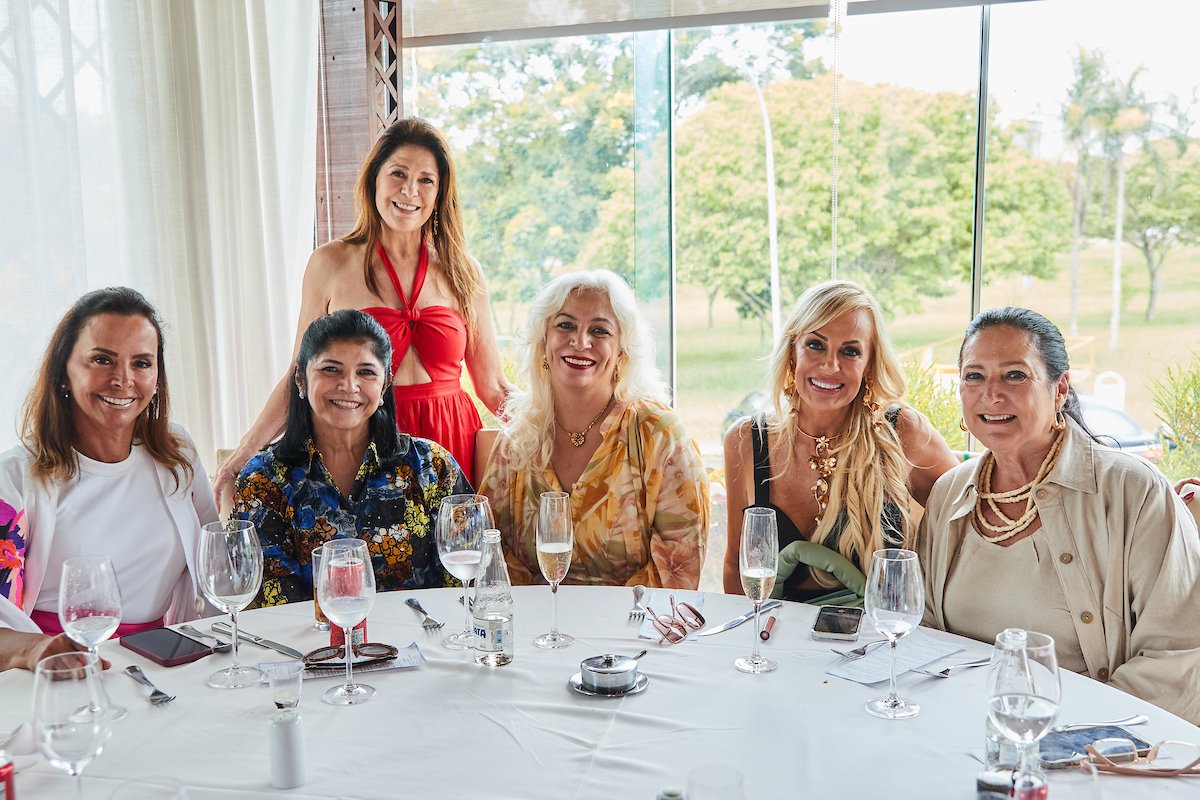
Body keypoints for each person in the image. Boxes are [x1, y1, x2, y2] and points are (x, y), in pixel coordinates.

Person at [919, 307, 1200, 724]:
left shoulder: (1133, 490)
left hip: (1086, 744)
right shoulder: (950, 492)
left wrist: (1065, 737)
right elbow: (923, 631)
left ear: (1060, 388)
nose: (991, 394)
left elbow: (1177, 657)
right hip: (960, 728)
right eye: (974, 376)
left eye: (1015, 375)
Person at [216, 117, 508, 490]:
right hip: (366, 440)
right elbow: (299, 373)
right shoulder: (330, 264)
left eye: (425, 180)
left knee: (454, 546)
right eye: (398, 174)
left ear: (440, 193)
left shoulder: (464, 271)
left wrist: (568, 432)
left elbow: (494, 387)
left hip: (453, 441)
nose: (409, 191)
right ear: (374, 178)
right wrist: (244, 452)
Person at [0, 288, 218, 671]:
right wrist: (35, 649)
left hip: (161, 668)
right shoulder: (16, 477)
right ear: (63, 372)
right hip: (57, 673)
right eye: (102, 360)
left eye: (141, 363)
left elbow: (215, 561)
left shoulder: (177, 453)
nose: (123, 379)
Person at [723, 280, 959, 601]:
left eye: (850, 351)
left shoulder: (901, 433)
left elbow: (968, 523)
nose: (830, 366)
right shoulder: (745, 441)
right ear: (793, 352)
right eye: (815, 345)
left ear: (870, 365)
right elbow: (736, 567)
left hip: (875, 639)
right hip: (776, 637)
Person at [478, 270, 709, 589]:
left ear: (622, 351)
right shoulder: (518, 436)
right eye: (565, 325)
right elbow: (491, 550)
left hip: (631, 628)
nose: (580, 341)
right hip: (537, 628)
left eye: (599, 330)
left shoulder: (658, 435)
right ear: (544, 341)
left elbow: (679, 569)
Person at [235, 309, 470, 605]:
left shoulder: (431, 466)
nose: (349, 386)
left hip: (425, 639)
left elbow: (469, 578)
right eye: (331, 369)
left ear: (385, 385)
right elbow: (271, 595)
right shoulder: (263, 479)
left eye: (366, 372)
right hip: (311, 646)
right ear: (300, 379)